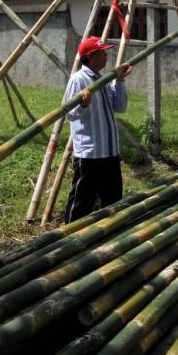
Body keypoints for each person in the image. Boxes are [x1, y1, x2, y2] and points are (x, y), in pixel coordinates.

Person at [64, 36, 132, 222]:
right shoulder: (79, 79)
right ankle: (68, 237)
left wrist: (120, 81)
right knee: (82, 201)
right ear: (91, 56)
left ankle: (107, 234)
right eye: (103, 53)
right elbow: (69, 113)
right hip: (90, 153)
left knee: (113, 200)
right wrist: (83, 105)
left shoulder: (103, 79)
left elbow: (120, 107)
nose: (106, 56)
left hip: (110, 151)